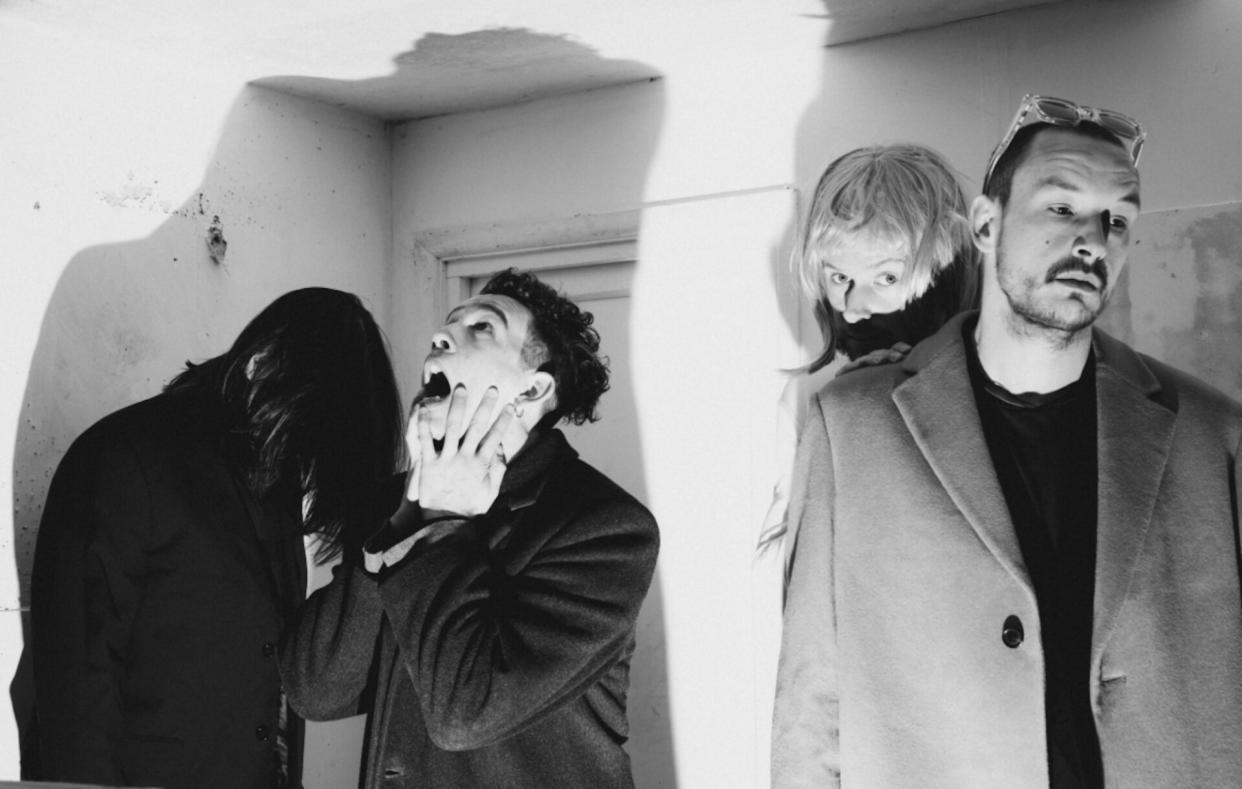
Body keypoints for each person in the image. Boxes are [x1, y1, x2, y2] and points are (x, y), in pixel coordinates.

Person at [772, 94, 1242, 788]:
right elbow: (814, 704)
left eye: (1118, 217)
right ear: (986, 224)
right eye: (1060, 206)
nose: (1093, 237)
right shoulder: (849, 427)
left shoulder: (1212, 433)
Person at [280, 268, 659, 788]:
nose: (442, 336)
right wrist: (408, 517)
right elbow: (316, 691)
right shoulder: (395, 503)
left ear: (533, 388)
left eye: (483, 328)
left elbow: (466, 715)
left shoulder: (605, 529)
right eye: (449, 324)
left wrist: (440, 523)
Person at [29, 288, 405, 788]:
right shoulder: (125, 456)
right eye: (304, 431)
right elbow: (75, 687)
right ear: (261, 364)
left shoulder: (272, 480)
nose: (305, 460)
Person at [752, 145, 978, 784]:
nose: (852, 306)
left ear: (948, 263)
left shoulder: (999, 372)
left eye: (884, 276)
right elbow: (811, 630)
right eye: (836, 276)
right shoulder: (818, 401)